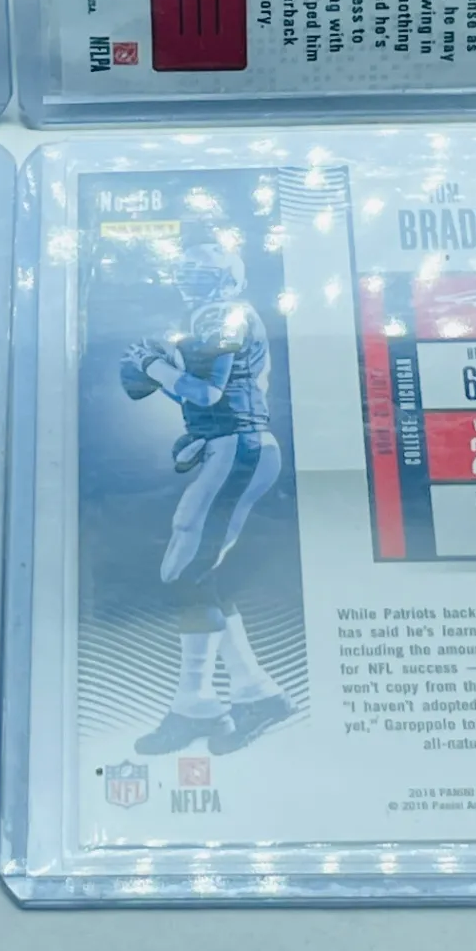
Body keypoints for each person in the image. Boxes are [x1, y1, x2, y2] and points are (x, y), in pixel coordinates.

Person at [117, 234, 295, 756]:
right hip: (231, 444)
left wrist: (154, 366)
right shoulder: (208, 316)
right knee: (200, 572)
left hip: (239, 446)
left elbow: (207, 392)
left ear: (226, 277)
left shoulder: (225, 315)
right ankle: (253, 693)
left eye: (202, 270)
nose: (189, 278)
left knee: (185, 571)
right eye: (186, 269)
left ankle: (197, 702)